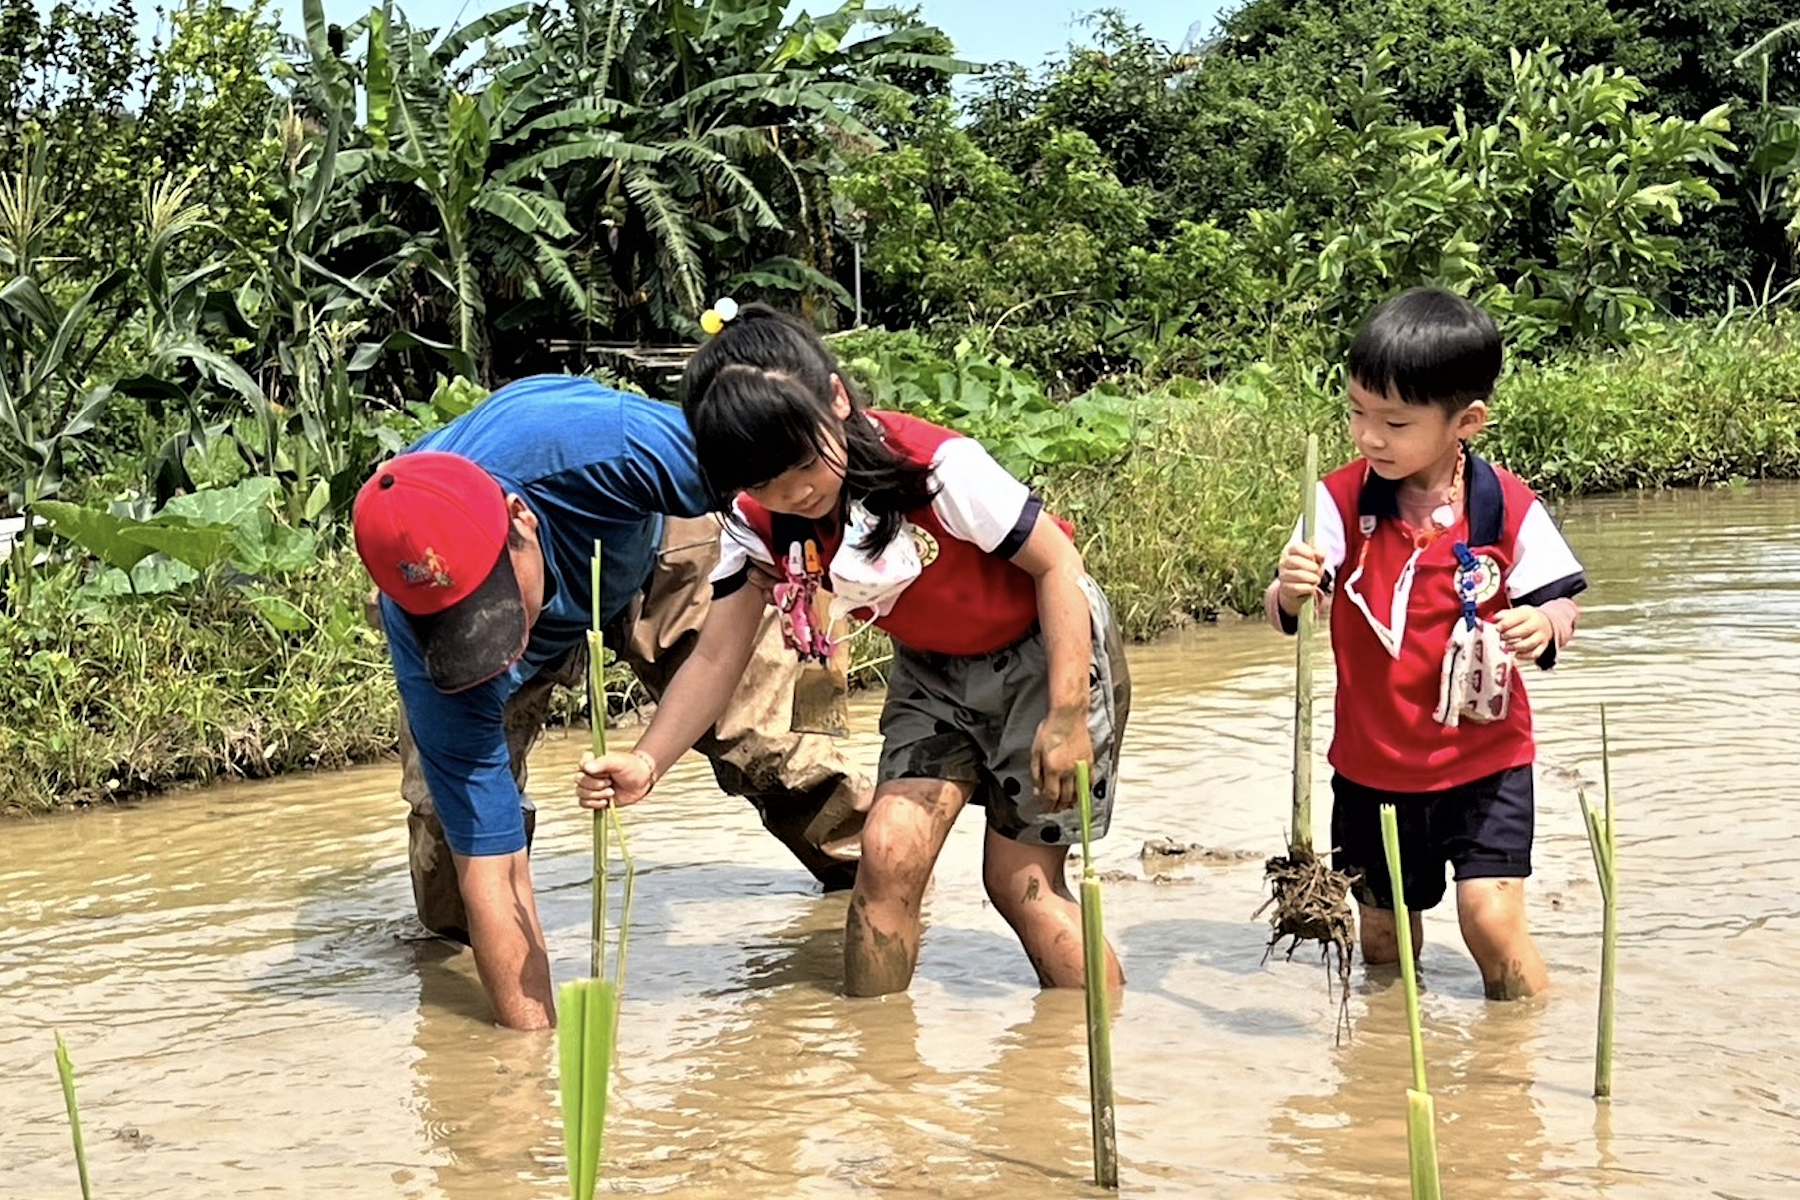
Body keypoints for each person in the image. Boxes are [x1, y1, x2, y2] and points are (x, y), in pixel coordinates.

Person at [574, 303, 1131, 997]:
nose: (795, 492)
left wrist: (1068, 714)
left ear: (836, 400)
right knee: (887, 850)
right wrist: (647, 760)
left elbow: (1059, 567)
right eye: (764, 483)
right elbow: (718, 656)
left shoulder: (936, 470)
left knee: (1020, 885)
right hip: (935, 670)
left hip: (1047, 655)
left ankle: (1095, 1066)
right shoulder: (756, 525)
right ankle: (876, 1077)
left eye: (804, 463)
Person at [352, 373, 870, 1030]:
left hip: (653, 552)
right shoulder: (421, 627)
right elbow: (492, 869)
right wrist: (530, 1062)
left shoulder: (609, 448)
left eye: (498, 609)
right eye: (470, 629)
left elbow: (804, 470)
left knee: (774, 750)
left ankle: (882, 897)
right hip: (512, 596)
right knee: (451, 866)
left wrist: (815, 608)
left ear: (521, 521)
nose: (496, 637)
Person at [1267, 287, 1586, 1000]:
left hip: (1487, 762)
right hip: (1372, 770)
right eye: (1356, 412)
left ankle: (1522, 1065)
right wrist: (1290, 589)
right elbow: (1288, 608)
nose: (1369, 437)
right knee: (1383, 938)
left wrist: (1546, 626)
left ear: (1465, 421)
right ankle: (1388, 1065)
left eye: (1394, 421)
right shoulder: (1338, 502)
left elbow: (1561, 604)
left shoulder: (1506, 506)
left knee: (1490, 919)